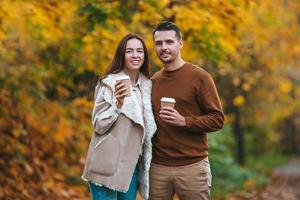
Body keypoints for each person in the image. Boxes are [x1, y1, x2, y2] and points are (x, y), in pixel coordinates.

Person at [150, 21, 225, 200]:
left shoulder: (200, 77)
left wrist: (185, 121)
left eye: (169, 42)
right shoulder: (153, 81)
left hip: (192, 166)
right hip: (157, 168)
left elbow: (217, 119)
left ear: (180, 43)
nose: (164, 47)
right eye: (159, 43)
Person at [82, 33, 157, 200]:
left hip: (131, 167)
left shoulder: (147, 87)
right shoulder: (108, 83)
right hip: (106, 164)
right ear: (121, 55)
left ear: (145, 55)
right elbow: (99, 125)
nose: (135, 55)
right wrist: (118, 104)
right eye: (129, 51)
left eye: (140, 51)